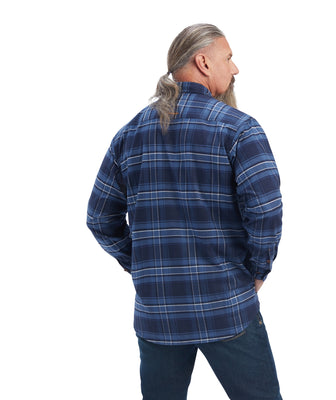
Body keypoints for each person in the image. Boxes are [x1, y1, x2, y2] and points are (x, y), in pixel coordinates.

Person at [87, 23, 283, 400]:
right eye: (229, 58)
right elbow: (265, 211)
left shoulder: (129, 135)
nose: (235, 68)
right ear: (203, 62)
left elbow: (99, 218)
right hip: (226, 307)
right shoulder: (239, 129)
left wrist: (142, 264)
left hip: (157, 314)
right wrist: (257, 270)